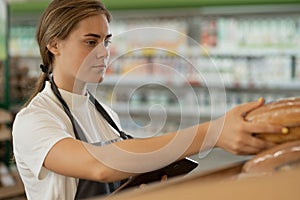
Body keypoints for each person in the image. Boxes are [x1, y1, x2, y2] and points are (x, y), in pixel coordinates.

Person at [12, 0, 287, 199]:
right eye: (90, 42)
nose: (103, 53)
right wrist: (213, 133)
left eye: (106, 41)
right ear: (54, 44)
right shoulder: (35, 120)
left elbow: (117, 171)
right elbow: (98, 166)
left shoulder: (105, 114)